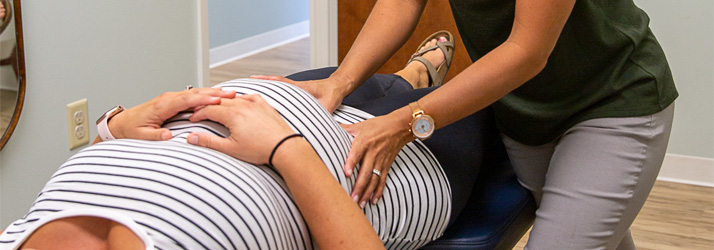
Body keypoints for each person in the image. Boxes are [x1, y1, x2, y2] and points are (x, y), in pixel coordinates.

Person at [252, 0, 678, 249]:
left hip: (611, 102)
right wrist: (339, 82)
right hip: (522, 111)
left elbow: (528, 51)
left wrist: (405, 122)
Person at [0, 44, 488, 249]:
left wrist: (115, 125)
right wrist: (285, 148)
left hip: (279, 98)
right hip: (374, 168)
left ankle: (410, 74)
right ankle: (416, 83)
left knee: (364, 79)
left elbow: (94, 179)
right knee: (489, 106)